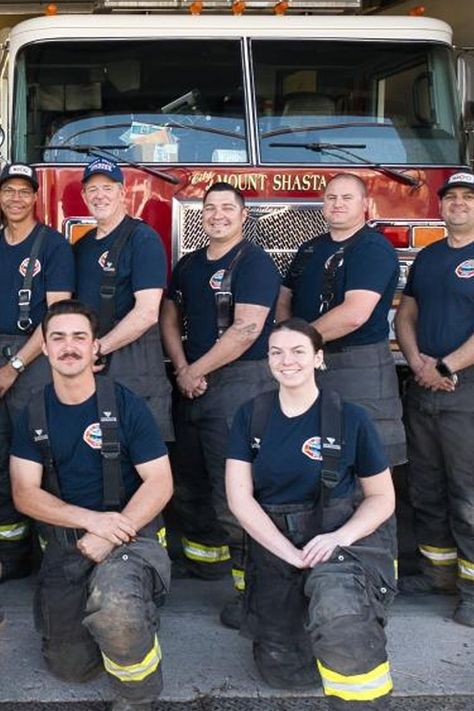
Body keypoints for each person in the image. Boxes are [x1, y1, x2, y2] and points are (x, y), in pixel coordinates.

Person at [10, 299, 173, 711]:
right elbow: (24, 493)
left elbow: (160, 482)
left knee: (117, 609)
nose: (69, 346)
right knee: (70, 667)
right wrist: (91, 522)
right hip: (71, 544)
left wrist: (113, 532)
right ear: (44, 348)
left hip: (131, 538)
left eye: (79, 337)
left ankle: (138, 694)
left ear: (95, 345)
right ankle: (114, 624)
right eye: (58, 338)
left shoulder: (125, 404)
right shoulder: (33, 413)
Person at [226, 318, 397, 709]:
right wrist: (289, 553)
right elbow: (239, 498)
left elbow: (382, 497)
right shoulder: (250, 416)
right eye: (277, 352)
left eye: (298, 351)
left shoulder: (351, 418)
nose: (287, 361)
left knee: (341, 618)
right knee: (284, 673)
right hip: (277, 547)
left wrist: (340, 538)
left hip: (337, 543)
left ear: (319, 358)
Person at [160, 181, 280, 626]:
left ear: (242, 215)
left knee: (235, 489)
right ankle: (205, 561)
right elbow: (169, 315)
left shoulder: (255, 264)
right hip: (191, 382)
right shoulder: (189, 263)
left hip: (238, 385)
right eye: (210, 208)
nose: (217, 215)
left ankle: (255, 596)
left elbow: (247, 329)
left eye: (227, 208)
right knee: (189, 478)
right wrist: (180, 366)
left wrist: (197, 370)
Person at [276, 173, 405, 467]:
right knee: (314, 457)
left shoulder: (372, 248)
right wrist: (287, 334)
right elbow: (284, 296)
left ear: (365, 204)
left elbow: (354, 314)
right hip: (309, 364)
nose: (337, 204)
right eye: (331, 198)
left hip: (359, 368)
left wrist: (295, 342)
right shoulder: (310, 249)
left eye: (347, 198)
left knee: (364, 461)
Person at [395, 171, 474, 627]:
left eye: (467, 197)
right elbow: (406, 313)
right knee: (425, 488)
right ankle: (437, 573)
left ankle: (471, 589)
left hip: (466, 393)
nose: (458, 204)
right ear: (440, 206)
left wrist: (446, 367)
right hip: (424, 390)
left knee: (467, 494)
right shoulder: (428, 257)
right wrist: (419, 363)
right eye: (452, 197)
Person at [0, 162, 74, 582]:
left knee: (43, 456)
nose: (15, 198)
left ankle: (56, 556)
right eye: (8, 190)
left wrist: (12, 366)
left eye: (23, 191)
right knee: (0, 457)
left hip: (32, 357)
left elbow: (56, 315)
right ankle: (12, 555)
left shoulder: (53, 247)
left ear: (34, 198)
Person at [75, 157, 173, 441]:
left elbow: (146, 314)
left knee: (140, 452)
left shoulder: (143, 239)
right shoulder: (82, 247)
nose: (99, 195)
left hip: (134, 360)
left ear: (122, 192)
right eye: (92, 189)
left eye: (107, 187)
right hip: (92, 360)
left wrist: (97, 350)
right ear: (84, 196)